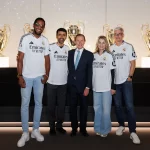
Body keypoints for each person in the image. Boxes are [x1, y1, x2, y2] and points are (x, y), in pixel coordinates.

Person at [17, 17, 50, 147]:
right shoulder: (25, 38)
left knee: (38, 104)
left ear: (43, 27)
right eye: (38, 24)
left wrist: (47, 74)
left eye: (42, 25)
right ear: (34, 25)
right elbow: (19, 59)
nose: (39, 27)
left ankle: (35, 130)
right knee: (24, 104)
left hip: (39, 78)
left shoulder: (45, 41)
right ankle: (25, 133)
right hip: (26, 77)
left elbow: (47, 59)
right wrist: (19, 76)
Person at [110, 27, 140, 144]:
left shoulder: (128, 46)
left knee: (129, 106)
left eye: (119, 34)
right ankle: (121, 125)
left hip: (126, 81)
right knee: (117, 106)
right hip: (115, 83)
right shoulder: (110, 48)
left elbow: (133, 63)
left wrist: (130, 76)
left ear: (123, 35)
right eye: (115, 34)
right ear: (113, 36)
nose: (117, 36)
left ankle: (133, 131)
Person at [67, 34, 93, 137]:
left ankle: (83, 129)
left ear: (85, 41)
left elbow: (90, 72)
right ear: (74, 41)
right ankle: (74, 129)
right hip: (72, 86)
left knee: (84, 109)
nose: (80, 42)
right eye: (78, 40)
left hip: (84, 87)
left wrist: (88, 87)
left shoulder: (89, 55)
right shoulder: (69, 53)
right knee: (72, 108)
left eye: (82, 40)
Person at [47, 28, 69, 135]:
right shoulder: (50, 47)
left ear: (66, 36)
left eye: (63, 35)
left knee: (61, 106)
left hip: (63, 83)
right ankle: (51, 126)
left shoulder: (67, 48)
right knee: (51, 106)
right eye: (59, 34)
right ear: (56, 36)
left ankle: (59, 126)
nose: (61, 36)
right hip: (51, 82)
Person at [93, 36, 116, 137]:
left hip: (107, 88)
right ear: (97, 44)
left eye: (103, 43)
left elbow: (113, 72)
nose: (101, 45)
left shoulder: (110, 56)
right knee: (97, 109)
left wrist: (113, 87)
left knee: (106, 111)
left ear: (106, 44)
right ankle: (97, 128)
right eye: (99, 42)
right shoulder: (93, 56)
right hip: (95, 87)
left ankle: (105, 130)